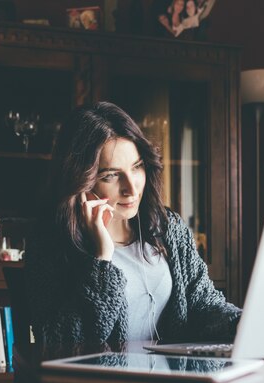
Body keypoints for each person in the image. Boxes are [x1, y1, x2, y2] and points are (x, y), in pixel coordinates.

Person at [25, 102, 240, 346]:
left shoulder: (170, 229)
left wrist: (242, 324)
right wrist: (101, 259)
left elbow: (204, 303)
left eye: (137, 167)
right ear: (81, 182)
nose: (131, 188)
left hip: (175, 381)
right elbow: (63, 341)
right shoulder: (50, 244)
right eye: (111, 175)